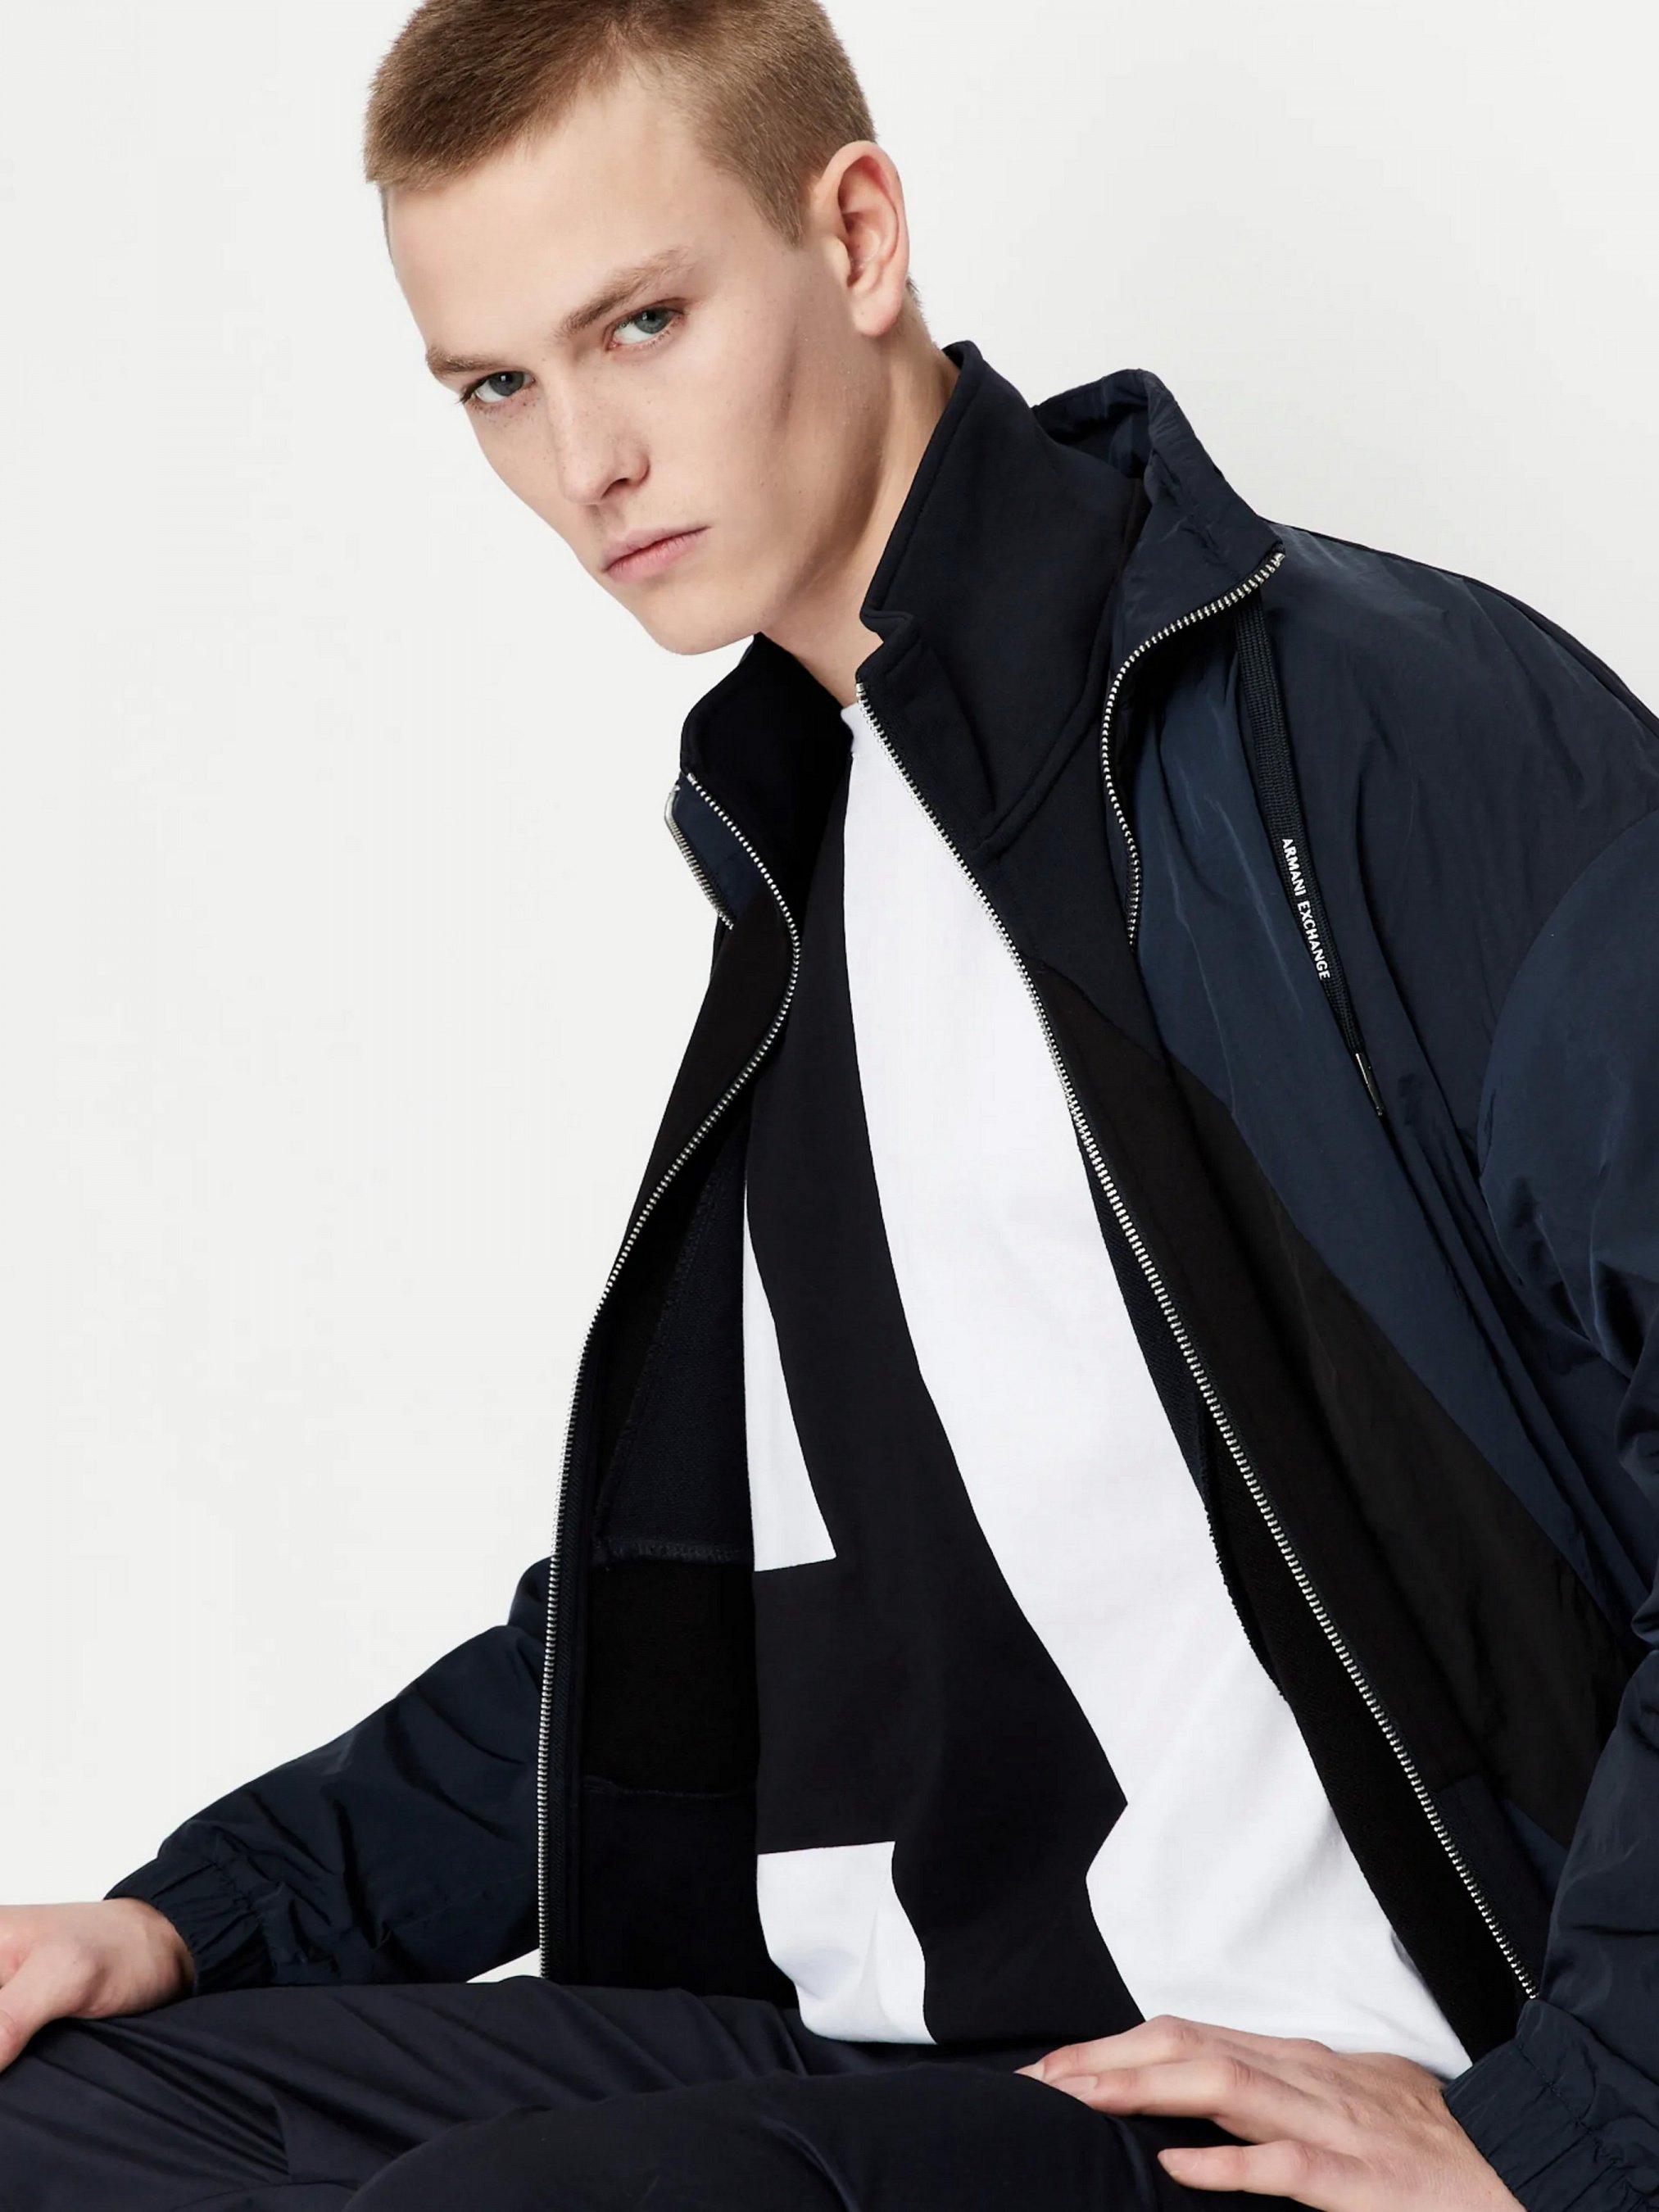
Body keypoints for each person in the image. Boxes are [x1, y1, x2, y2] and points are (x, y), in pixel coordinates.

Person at [2, 0, 1657, 2205]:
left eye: (641, 323)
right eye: (497, 385)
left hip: (1281, 2092)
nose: (584, 460)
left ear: (857, 234)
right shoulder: (818, 849)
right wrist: (197, 1910)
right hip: (898, 2048)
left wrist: (1574, 2128)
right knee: (58, 2122)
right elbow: (711, 1636)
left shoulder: (1376, 726)